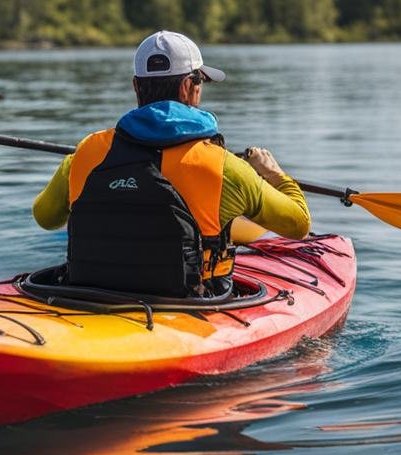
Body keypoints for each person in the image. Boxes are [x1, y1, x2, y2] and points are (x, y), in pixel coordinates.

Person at [32, 30, 310, 298]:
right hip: (188, 306)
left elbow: (46, 218)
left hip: (89, 295)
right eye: (200, 82)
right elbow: (299, 224)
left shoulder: (85, 153)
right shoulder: (226, 169)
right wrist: (274, 173)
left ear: (136, 86)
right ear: (188, 86)